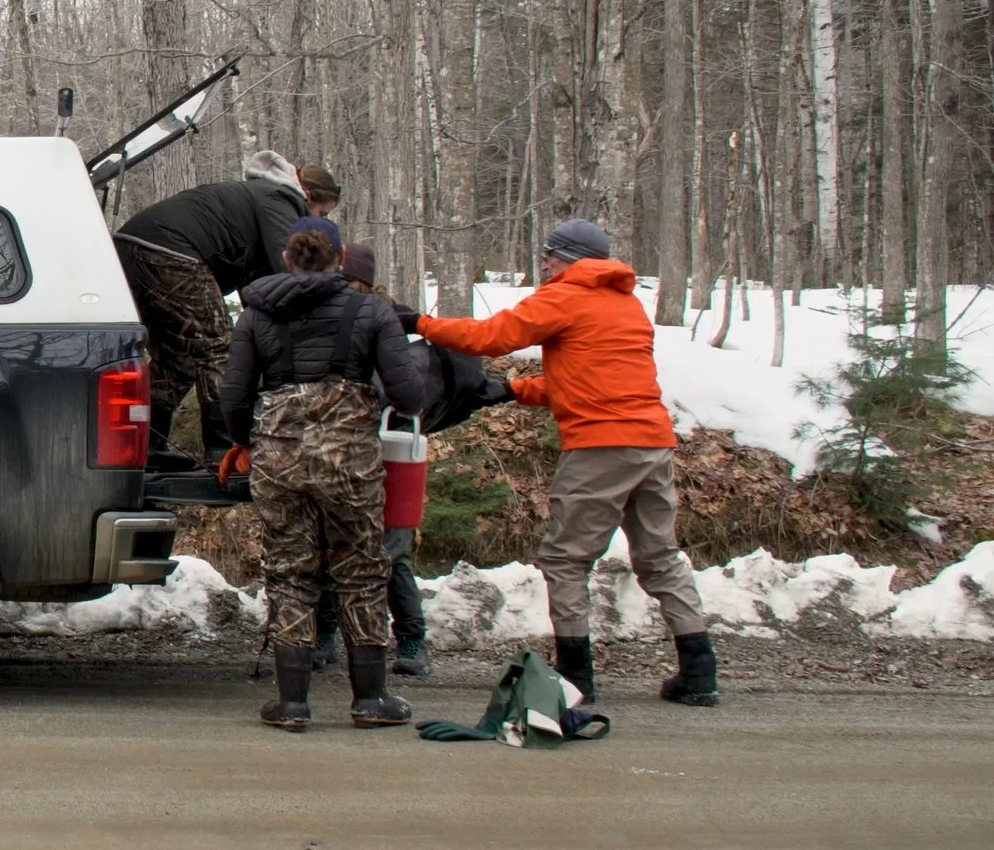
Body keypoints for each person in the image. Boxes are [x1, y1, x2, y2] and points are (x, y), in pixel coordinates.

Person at [401, 219, 719, 708]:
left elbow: (492, 336)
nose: (544, 264)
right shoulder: (626, 305)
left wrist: (420, 323)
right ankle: (699, 672)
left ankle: (575, 678)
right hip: (653, 444)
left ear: (568, 257)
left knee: (566, 559)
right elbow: (595, 378)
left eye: (549, 255)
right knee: (659, 556)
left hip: (599, 448)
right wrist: (513, 390)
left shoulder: (566, 295)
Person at [219, 217, 431, 731]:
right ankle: (371, 700)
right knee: (361, 571)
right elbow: (409, 395)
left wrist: (244, 440)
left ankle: (291, 704)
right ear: (340, 259)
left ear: (288, 259)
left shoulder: (255, 314)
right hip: (349, 465)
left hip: (279, 462)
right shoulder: (372, 310)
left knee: (290, 572)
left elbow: (233, 397)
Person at [114, 151, 342, 466]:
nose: (320, 220)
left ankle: (146, 443)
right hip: (170, 250)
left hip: (132, 247)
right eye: (322, 212)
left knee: (180, 357)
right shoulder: (280, 200)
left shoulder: (262, 199)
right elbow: (291, 270)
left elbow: (259, 291)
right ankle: (223, 448)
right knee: (218, 349)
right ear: (309, 196)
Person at [306, 240, 433, 677]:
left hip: (385, 451)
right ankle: (325, 636)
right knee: (326, 545)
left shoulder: (382, 323)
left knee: (391, 551)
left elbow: (402, 389)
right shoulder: (329, 321)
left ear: (362, 281)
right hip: (336, 454)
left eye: (350, 281)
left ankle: (412, 640)